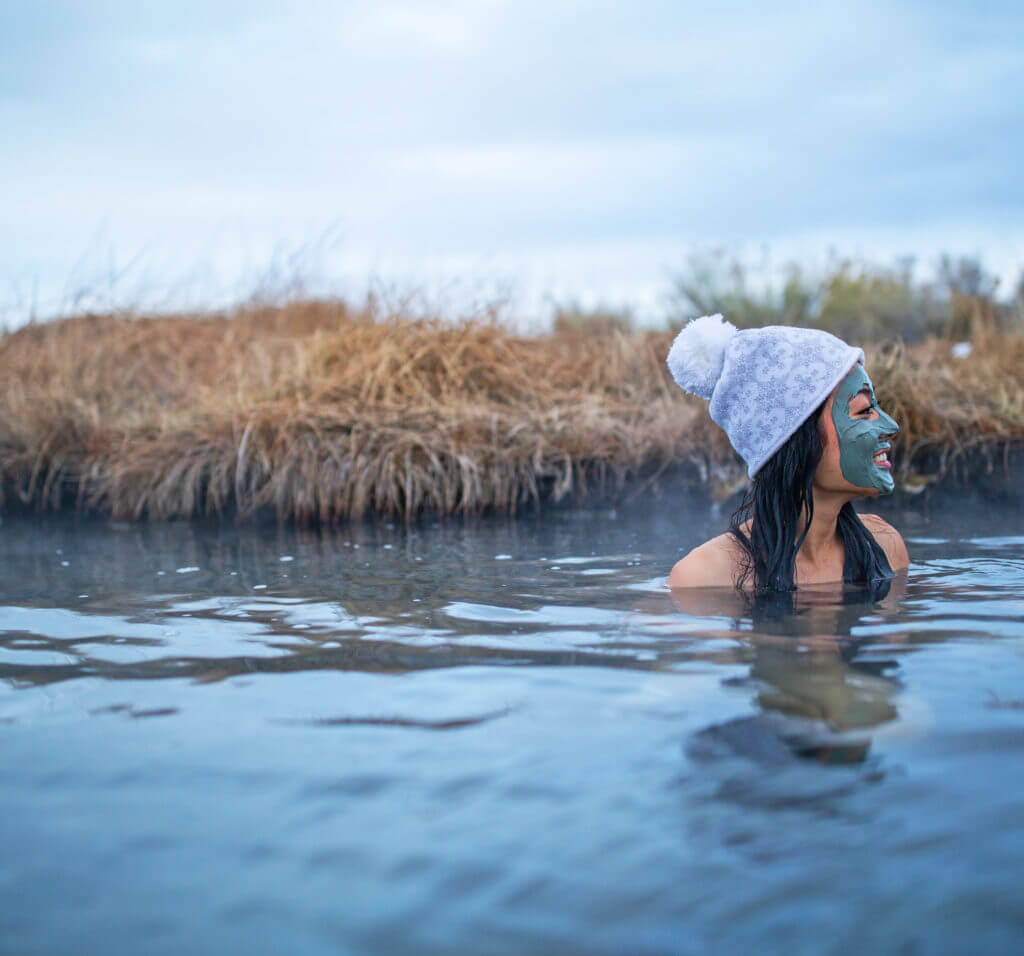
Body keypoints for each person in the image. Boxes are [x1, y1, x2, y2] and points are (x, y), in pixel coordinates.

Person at [665, 314, 909, 590]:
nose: (891, 425)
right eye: (864, 411)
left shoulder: (885, 546)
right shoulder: (703, 578)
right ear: (796, 438)